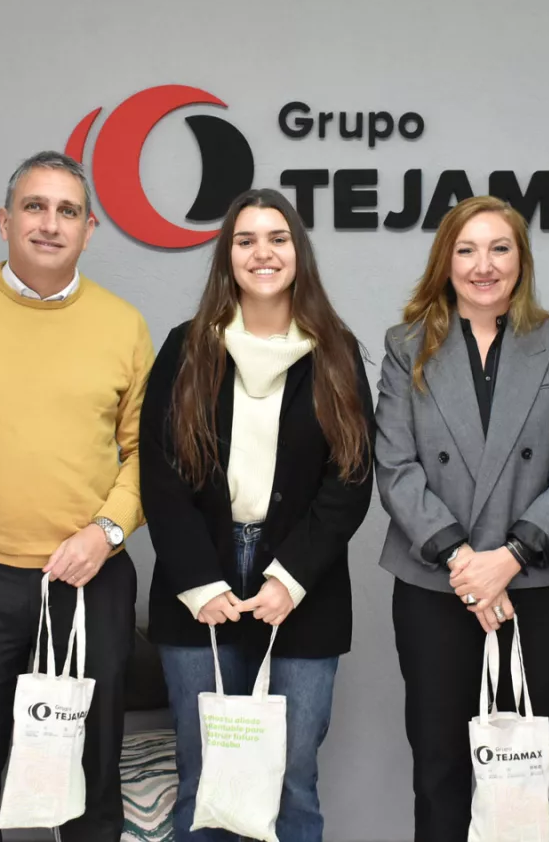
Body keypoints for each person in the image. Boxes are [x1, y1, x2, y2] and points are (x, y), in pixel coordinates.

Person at [0, 150, 153, 842]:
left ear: (89, 230)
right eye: (34, 207)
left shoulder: (123, 324)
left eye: (67, 211)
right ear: (5, 220)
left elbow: (148, 452)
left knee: (90, 784)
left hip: (88, 580)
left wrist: (105, 532)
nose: (50, 223)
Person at [141, 188, 374, 841]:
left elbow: (352, 477)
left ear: (299, 253)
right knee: (205, 780)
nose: (262, 253)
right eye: (246, 240)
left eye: (278, 238)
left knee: (292, 782)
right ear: (228, 255)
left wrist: (290, 578)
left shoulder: (335, 351)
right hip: (199, 584)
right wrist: (200, 582)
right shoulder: (187, 347)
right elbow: (159, 474)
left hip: (303, 588)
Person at [376, 194, 549, 841]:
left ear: (520, 259)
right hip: (436, 586)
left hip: (534, 584)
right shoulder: (406, 346)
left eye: (500, 248)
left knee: (529, 772)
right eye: (467, 249)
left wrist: (509, 559)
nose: (484, 265)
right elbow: (396, 466)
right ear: (445, 261)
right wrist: (466, 564)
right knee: (439, 769)